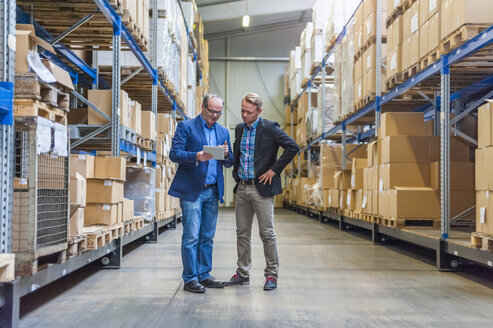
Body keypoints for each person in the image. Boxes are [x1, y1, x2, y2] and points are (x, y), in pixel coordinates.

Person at [224, 92, 299, 290]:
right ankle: (242, 273)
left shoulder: (270, 128)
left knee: (267, 233)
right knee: (242, 233)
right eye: (242, 110)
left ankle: (271, 275)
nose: (244, 115)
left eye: (248, 112)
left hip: (261, 190)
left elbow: (292, 147)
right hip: (242, 187)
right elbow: (239, 155)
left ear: (259, 111)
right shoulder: (240, 129)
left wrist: (274, 170)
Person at [169, 94, 234, 294]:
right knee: (191, 236)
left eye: (218, 112)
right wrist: (195, 156)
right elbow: (174, 153)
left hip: (212, 191)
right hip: (193, 191)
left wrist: (225, 154)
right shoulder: (186, 127)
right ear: (203, 107)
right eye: (211, 111)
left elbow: (230, 161)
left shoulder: (223, 132)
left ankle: (204, 275)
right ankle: (190, 278)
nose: (214, 115)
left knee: (207, 236)